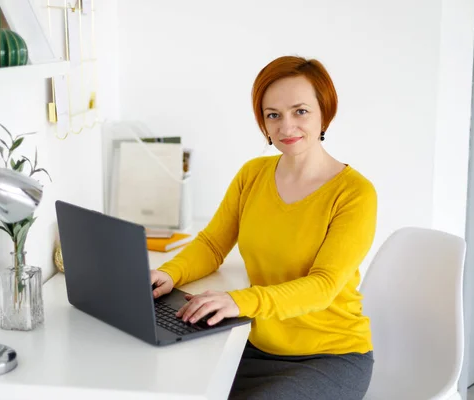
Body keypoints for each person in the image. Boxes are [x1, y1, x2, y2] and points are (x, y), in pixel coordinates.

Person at [150, 55, 377, 400]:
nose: (286, 128)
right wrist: (170, 274)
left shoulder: (354, 193)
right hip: (252, 346)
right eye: (273, 115)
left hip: (329, 355)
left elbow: (324, 285)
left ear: (324, 113)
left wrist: (238, 301)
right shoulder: (252, 175)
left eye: (300, 111)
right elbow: (213, 244)